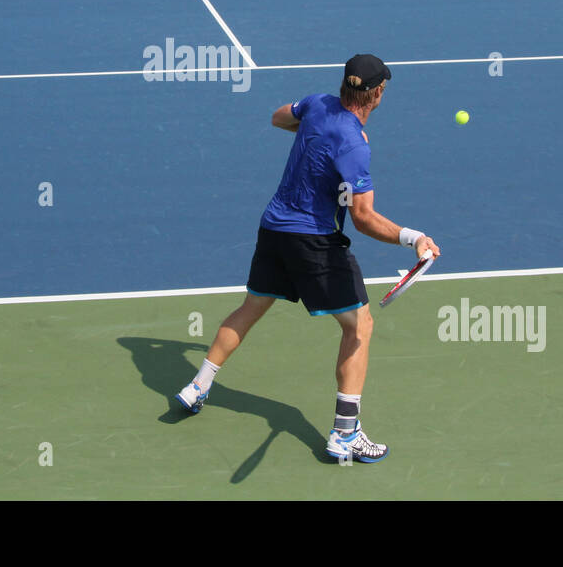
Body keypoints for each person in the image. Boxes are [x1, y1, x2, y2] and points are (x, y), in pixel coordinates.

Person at [173, 55, 440, 465]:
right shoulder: (353, 144)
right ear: (377, 93)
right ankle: (344, 435)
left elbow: (279, 117)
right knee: (359, 327)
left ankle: (198, 385)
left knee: (252, 306)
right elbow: (363, 218)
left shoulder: (317, 104)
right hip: (313, 243)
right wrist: (414, 238)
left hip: (273, 229)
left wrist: (315, 132)